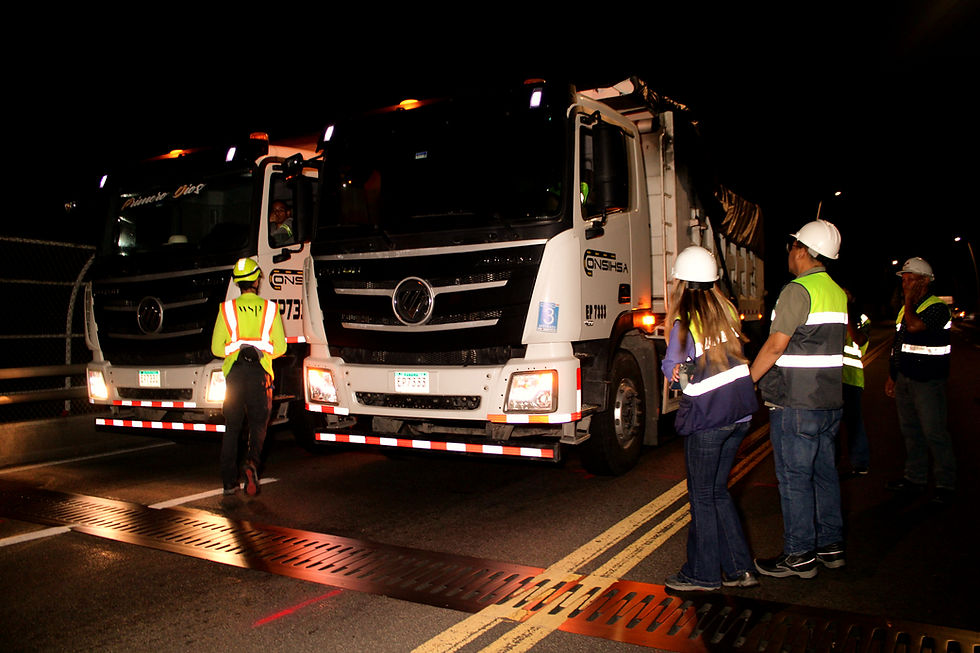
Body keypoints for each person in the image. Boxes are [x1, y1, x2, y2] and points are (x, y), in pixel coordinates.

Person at [750, 219, 847, 579]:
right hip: (829, 403)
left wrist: (748, 382)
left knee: (794, 479)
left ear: (803, 251)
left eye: (793, 246)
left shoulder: (797, 290)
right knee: (824, 476)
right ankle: (831, 548)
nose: (789, 252)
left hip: (796, 402)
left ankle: (800, 555)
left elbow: (776, 345)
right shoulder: (835, 291)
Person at [661, 246, 760, 592]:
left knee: (702, 495)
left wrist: (673, 369)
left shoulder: (685, 323)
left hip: (709, 420)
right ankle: (740, 569)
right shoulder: (728, 312)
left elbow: (674, 372)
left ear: (681, 282)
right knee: (718, 492)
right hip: (740, 415)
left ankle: (702, 574)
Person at [211, 258, 286, 496]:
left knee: (232, 427)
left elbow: (215, 348)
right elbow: (281, 348)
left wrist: (237, 347)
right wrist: (262, 350)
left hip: (234, 374)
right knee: (258, 426)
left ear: (237, 282)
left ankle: (228, 482)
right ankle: (252, 464)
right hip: (260, 374)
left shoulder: (226, 309)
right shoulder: (270, 308)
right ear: (256, 280)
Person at [884, 257, 955, 504]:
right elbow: (899, 344)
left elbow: (914, 328)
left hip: (928, 381)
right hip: (905, 378)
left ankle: (946, 484)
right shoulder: (907, 308)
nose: (905, 283)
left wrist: (909, 300)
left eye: (910, 278)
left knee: (934, 433)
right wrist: (893, 375)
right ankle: (915, 479)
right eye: (903, 278)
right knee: (911, 432)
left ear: (924, 282)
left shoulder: (936, 308)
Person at [841, 289, 871, 475]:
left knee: (854, 423)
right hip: (830, 378)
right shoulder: (833, 314)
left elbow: (859, 340)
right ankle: (831, 464)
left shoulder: (861, 318)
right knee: (830, 426)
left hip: (851, 379)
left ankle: (860, 463)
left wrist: (847, 314)